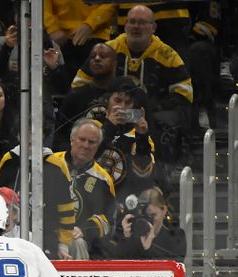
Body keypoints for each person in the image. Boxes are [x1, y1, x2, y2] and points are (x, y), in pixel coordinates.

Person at [73, 5, 193, 164]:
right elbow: (79, 86)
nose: (136, 26)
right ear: (125, 25)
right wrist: (102, 105)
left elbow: (184, 94)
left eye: (142, 22)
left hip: (150, 118)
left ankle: (158, 170)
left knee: (169, 120)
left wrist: (152, 108)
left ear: (153, 27)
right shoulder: (108, 50)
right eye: (132, 22)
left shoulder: (168, 55)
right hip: (108, 113)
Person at [44, 118, 114, 260]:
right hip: (46, 233)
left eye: (92, 142)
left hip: (80, 243)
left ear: (98, 145)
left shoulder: (103, 179)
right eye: (82, 139)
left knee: (78, 242)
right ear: (72, 139)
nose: (86, 145)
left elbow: (108, 220)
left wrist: (84, 230)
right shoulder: (50, 163)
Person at [108, 187, 186, 262]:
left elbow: (175, 268)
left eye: (153, 215)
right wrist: (126, 238)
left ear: (164, 210)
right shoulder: (132, 238)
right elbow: (118, 267)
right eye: (144, 215)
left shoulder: (176, 236)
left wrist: (148, 248)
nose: (149, 220)